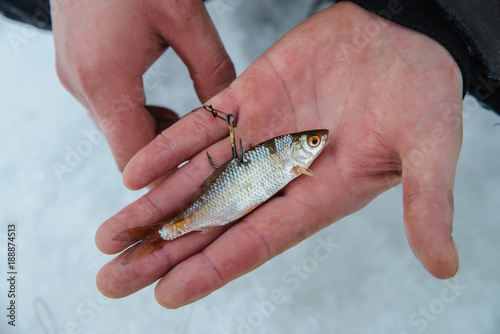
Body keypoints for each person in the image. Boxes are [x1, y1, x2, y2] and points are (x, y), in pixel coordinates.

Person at [2, 0, 498, 308]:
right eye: (310, 144)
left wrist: (439, 19)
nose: (316, 145)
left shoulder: (294, 161)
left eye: (310, 144)